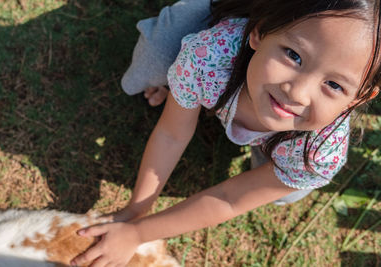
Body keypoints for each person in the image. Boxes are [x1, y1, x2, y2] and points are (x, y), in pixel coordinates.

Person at [72, 0, 381, 266]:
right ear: (259, 32)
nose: (297, 93)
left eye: (335, 85)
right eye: (293, 55)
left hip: (269, 122)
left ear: (358, 99)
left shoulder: (319, 153)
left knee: (289, 191)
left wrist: (137, 234)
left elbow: (229, 200)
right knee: (155, 57)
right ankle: (179, 82)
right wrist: (136, 210)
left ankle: (191, 91)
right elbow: (172, 134)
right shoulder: (210, 55)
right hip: (221, 28)